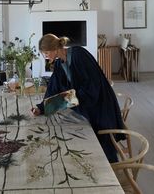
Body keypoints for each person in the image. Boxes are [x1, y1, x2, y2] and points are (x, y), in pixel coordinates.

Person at [31, 33, 125, 163]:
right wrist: (41, 108)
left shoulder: (78, 54)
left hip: (100, 104)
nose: (45, 56)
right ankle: (88, 162)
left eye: (46, 53)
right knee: (72, 129)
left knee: (99, 141)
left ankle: (112, 170)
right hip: (86, 102)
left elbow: (92, 86)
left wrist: (68, 99)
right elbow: (53, 87)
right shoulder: (59, 64)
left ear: (54, 48)